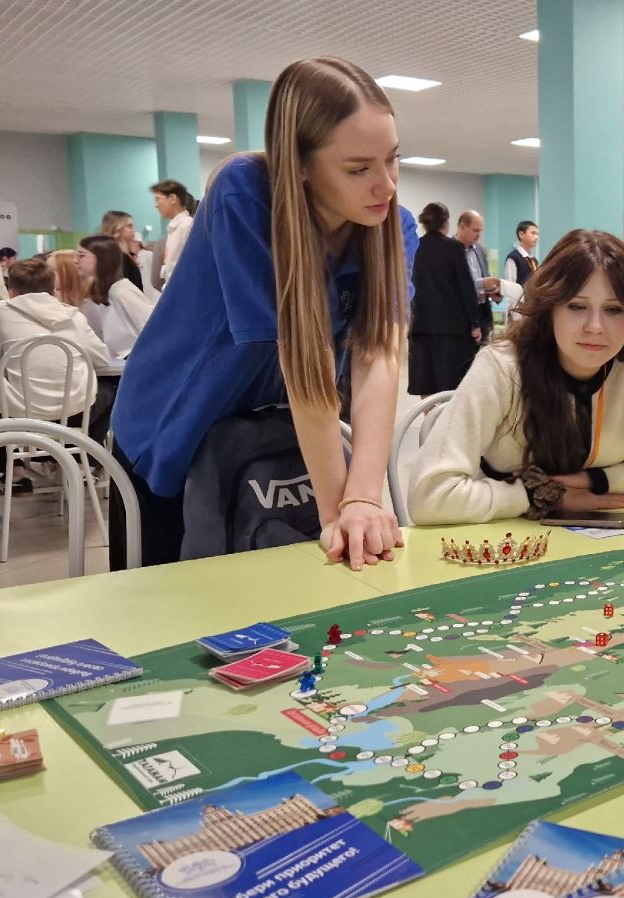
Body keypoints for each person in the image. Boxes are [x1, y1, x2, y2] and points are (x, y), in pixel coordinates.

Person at [112, 56, 411, 571]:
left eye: (393, 159)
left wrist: (363, 497)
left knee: (296, 594)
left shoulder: (392, 226)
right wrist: (336, 511)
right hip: (176, 427)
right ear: (299, 164)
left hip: (280, 433)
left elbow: (377, 359)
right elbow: (303, 356)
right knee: (172, 606)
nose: (386, 184)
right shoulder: (246, 193)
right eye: (359, 169)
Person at [409, 229, 624, 524]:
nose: (595, 326)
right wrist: (540, 495)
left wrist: (595, 480)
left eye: (614, 309)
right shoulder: (502, 366)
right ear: (549, 308)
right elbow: (429, 496)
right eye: (577, 306)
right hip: (507, 539)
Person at [0, 257, 110, 489]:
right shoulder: (74, 316)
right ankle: (81, 463)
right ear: (52, 288)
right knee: (110, 390)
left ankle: (13, 472)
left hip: (21, 418)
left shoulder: (1, 312)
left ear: (11, 291)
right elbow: (102, 359)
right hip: (74, 415)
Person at [408, 202, 483, 396]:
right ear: (446, 223)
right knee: (451, 382)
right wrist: (474, 322)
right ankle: (446, 416)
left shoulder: (414, 247)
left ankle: (428, 415)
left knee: (426, 381)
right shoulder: (454, 248)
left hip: (420, 326)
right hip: (452, 329)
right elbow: (465, 287)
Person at [75, 234, 156, 358]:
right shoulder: (104, 292)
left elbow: (152, 326)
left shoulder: (122, 291)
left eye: (82, 255)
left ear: (102, 258)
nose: (76, 260)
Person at [455, 210, 498, 343]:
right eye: (475, 230)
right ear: (462, 227)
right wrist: (482, 283)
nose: (479, 235)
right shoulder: (449, 251)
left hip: (482, 310)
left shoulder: (480, 250)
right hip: (461, 314)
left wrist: (493, 291)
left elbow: (486, 276)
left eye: (481, 231)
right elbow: (455, 285)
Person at [150, 178, 197, 286]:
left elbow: (191, 267)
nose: (156, 205)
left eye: (158, 199)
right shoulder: (175, 229)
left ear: (172, 199)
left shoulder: (187, 226)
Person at [99, 210, 147, 290]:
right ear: (116, 228)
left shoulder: (125, 256)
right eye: (129, 226)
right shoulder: (116, 258)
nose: (133, 230)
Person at [503, 220, 539, 287]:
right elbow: (510, 285)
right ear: (521, 235)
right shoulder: (513, 258)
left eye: (537, 234)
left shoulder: (534, 260)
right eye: (533, 233)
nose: (536, 237)